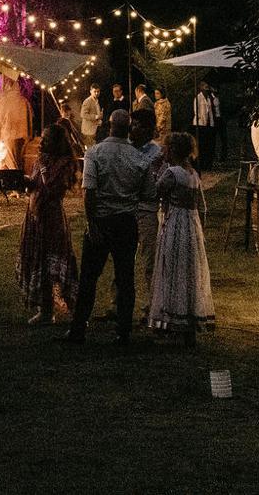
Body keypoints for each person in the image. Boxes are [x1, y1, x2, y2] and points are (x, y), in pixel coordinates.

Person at [65, 110, 156, 346]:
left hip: (101, 221)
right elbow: (148, 193)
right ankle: (123, 332)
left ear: (109, 125)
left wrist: (91, 223)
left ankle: (78, 328)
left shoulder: (95, 153)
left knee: (89, 277)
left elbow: (89, 192)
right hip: (126, 222)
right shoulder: (139, 158)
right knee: (125, 277)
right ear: (129, 128)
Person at [147, 132, 214, 344]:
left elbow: (154, 192)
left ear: (173, 150)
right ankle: (188, 323)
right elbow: (198, 204)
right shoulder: (192, 173)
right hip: (191, 225)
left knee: (172, 269)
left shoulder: (172, 173)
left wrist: (153, 171)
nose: (163, 152)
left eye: (166, 148)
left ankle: (173, 322)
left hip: (176, 223)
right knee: (188, 271)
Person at [17, 125, 78, 325]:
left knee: (54, 260)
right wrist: (25, 182)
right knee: (39, 261)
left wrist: (42, 168)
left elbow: (52, 187)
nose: (41, 142)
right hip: (35, 215)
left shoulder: (65, 162)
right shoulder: (40, 160)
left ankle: (74, 310)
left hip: (52, 217)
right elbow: (36, 185)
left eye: (46, 139)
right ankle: (45, 310)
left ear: (57, 142)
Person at [129, 109, 164, 310]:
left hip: (147, 209)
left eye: (136, 125)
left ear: (147, 129)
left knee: (150, 257)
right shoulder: (126, 148)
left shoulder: (156, 153)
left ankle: (153, 303)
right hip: (127, 209)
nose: (132, 129)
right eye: (132, 124)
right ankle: (118, 303)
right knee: (123, 258)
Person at [0, 78, 31, 171]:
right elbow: (30, 117)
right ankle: (19, 175)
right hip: (23, 134)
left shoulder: (4, 101)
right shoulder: (24, 100)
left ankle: (15, 177)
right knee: (20, 159)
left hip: (8, 134)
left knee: (12, 161)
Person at [191, 82, 221, 168]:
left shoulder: (209, 98)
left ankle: (207, 163)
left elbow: (211, 110)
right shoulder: (198, 98)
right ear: (201, 88)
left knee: (208, 145)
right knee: (201, 145)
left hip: (209, 124)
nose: (207, 89)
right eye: (205, 87)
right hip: (200, 124)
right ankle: (200, 163)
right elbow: (197, 112)